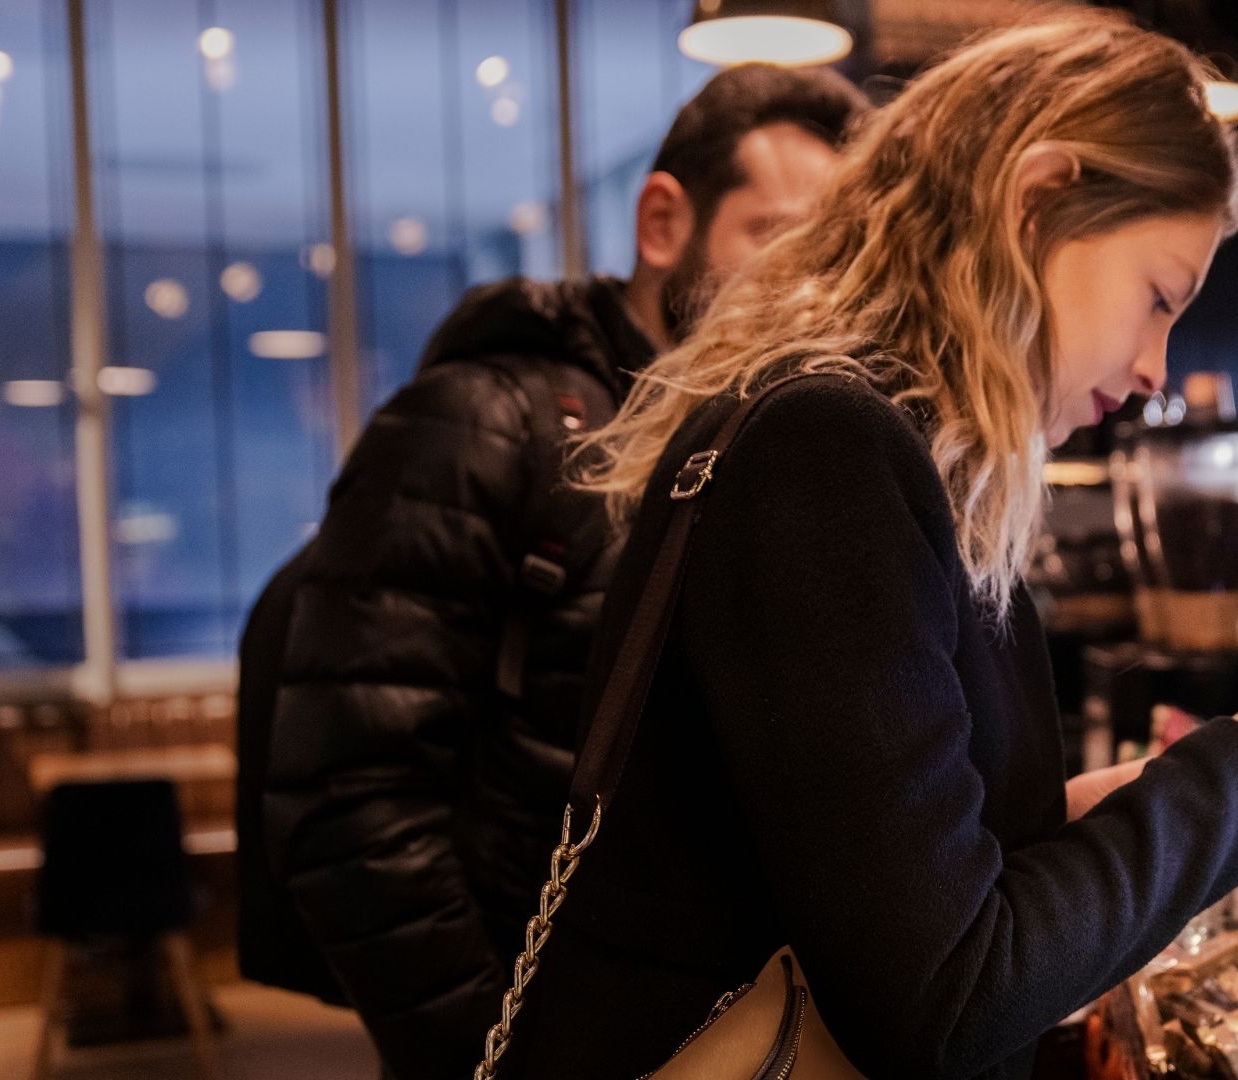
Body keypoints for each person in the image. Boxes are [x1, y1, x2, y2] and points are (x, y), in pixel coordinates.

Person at [498, 13, 1238, 1080]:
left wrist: (1094, 813)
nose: (1154, 370)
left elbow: (862, 859)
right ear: (1036, 201)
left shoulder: (870, 446)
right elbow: (947, 999)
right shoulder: (831, 451)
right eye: (1156, 298)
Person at [252, 64, 870, 1080]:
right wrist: (495, 1053)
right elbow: (348, 804)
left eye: (837, 257)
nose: (811, 291)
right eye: (779, 240)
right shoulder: (480, 421)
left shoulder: (769, 450)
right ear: (664, 222)